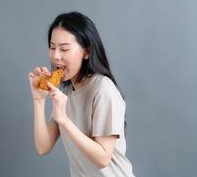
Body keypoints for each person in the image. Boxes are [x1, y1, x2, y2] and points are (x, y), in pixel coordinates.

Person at [28, 11, 135, 177]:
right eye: (52, 47)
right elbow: (43, 147)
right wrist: (38, 99)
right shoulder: (66, 91)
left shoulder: (103, 89)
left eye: (64, 49)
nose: (56, 56)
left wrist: (63, 119)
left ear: (86, 52)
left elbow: (103, 158)